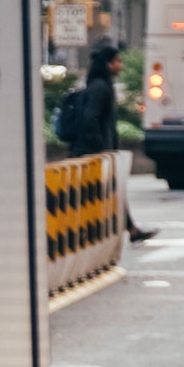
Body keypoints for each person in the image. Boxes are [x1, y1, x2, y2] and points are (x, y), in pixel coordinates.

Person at [73, 42, 157, 242]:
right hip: (96, 151)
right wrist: (100, 147)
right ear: (109, 64)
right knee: (100, 193)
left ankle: (131, 230)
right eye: (118, 61)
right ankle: (91, 234)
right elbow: (90, 117)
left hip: (102, 150)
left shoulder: (101, 85)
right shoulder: (100, 87)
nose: (121, 65)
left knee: (113, 190)